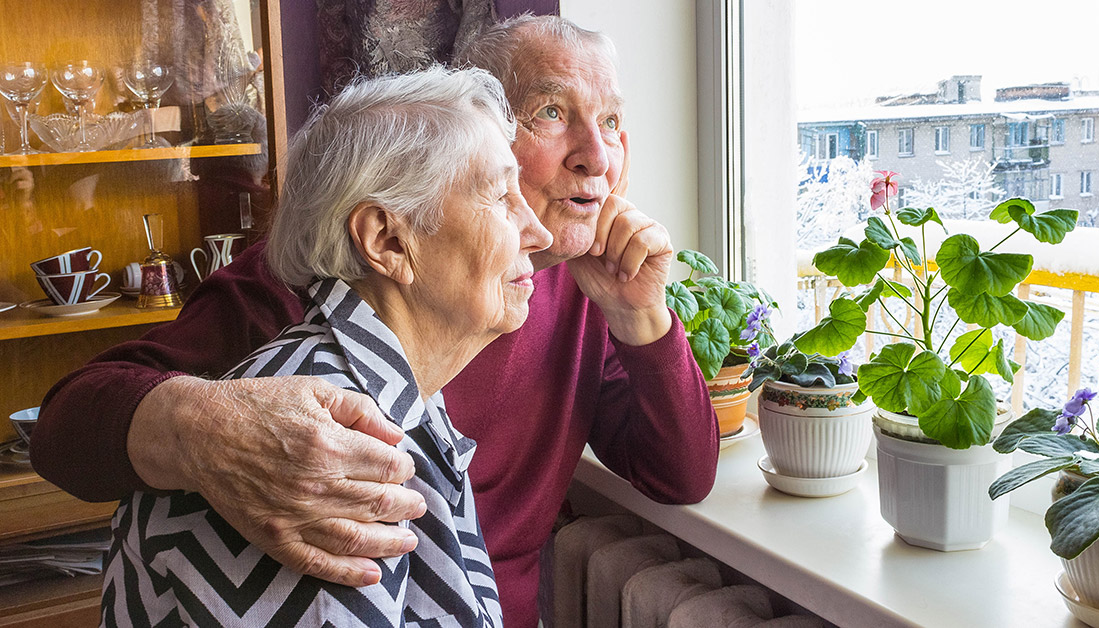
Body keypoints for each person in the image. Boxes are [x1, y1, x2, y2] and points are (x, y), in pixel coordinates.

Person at [32, 15, 718, 628]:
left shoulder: (575, 284)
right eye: (549, 112)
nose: (596, 156)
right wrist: (204, 429)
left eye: (609, 123)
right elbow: (63, 430)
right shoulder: (301, 286)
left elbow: (679, 476)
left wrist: (641, 316)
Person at [102, 66, 551, 626]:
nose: (539, 232)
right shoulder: (318, 445)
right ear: (388, 241)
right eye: (501, 195)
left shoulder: (393, 388)